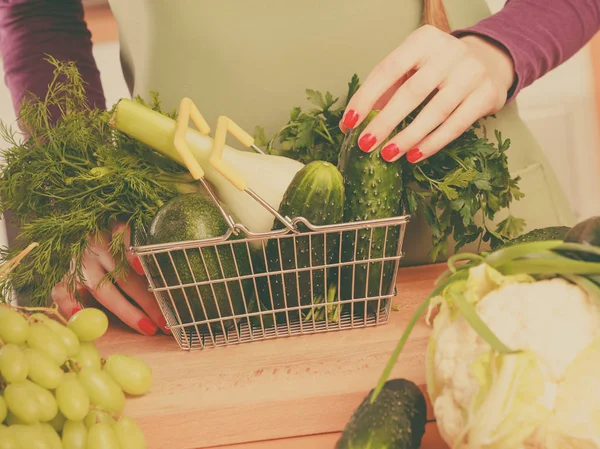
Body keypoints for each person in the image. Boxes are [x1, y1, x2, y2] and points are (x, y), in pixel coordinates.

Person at [0, 0, 595, 335]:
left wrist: (503, 48)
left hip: (467, 225)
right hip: (203, 258)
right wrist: (72, 183)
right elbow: (37, 13)